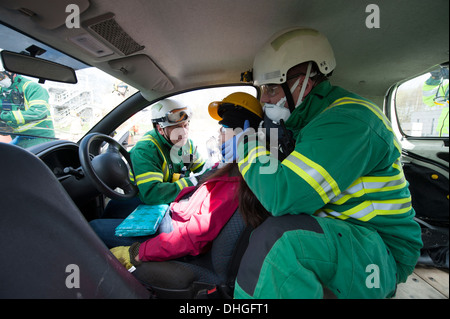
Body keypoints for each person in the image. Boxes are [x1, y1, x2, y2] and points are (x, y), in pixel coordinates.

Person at [229, 27, 423, 299]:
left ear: (304, 83)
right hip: (345, 235)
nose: (264, 99)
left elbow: (280, 196)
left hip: (380, 249)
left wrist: (247, 143)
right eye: (262, 89)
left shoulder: (350, 120)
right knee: (264, 237)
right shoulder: (306, 123)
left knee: (277, 242)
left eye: (271, 88)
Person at [108, 92, 265, 267]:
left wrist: (138, 252)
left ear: (243, 136)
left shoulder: (191, 150)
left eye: (186, 125)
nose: (184, 132)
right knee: (113, 207)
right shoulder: (146, 150)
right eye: (177, 127)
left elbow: (193, 234)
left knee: (94, 227)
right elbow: (153, 194)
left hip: (172, 224)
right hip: (158, 205)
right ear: (160, 129)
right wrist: (202, 176)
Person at [0, 69, 55, 148]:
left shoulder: (32, 88)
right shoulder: (3, 91)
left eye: (0, 76)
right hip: (18, 140)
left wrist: (5, 117)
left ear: (11, 72)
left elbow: (39, 112)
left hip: (40, 139)